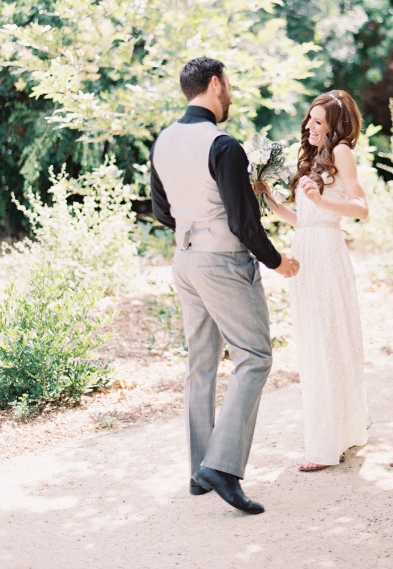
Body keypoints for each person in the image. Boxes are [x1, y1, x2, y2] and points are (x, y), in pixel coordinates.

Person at [150, 57, 299, 514]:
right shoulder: (223, 145)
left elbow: (161, 211)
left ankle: (200, 471)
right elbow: (242, 221)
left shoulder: (163, 141)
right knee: (254, 357)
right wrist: (277, 261)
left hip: (184, 260)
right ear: (215, 84)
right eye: (228, 85)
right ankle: (223, 467)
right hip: (222, 262)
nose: (230, 94)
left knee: (201, 363)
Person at [256, 90, 372, 471]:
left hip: (327, 255)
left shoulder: (341, 153)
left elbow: (360, 208)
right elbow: (304, 219)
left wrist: (322, 202)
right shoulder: (312, 160)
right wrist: (271, 201)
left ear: (336, 126)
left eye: (318, 121)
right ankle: (342, 432)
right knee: (314, 345)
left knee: (328, 344)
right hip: (306, 250)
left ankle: (326, 446)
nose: (309, 126)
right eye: (310, 119)